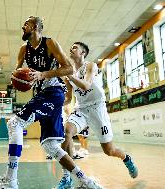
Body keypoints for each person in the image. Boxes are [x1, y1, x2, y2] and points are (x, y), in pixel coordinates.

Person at [0, 16, 102, 189]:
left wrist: (42, 75)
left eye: (26, 24)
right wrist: (17, 78)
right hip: (42, 94)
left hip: (54, 92)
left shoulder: (49, 43)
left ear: (35, 27)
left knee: (15, 124)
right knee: (51, 146)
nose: (23, 27)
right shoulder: (24, 49)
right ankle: (86, 181)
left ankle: (10, 181)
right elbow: (18, 71)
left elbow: (68, 68)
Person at [57, 42, 138, 188]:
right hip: (81, 109)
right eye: (71, 47)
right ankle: (67, 176)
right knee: (67, 132)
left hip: (97, 109)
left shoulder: (90, 66)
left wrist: (69, 76)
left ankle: (126, 158)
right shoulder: (70, 74)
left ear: (83, 53)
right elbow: (69, 98)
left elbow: (86, 85)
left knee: (109, 150)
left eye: (75, 47)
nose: (71, 49)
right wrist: (56, 102)